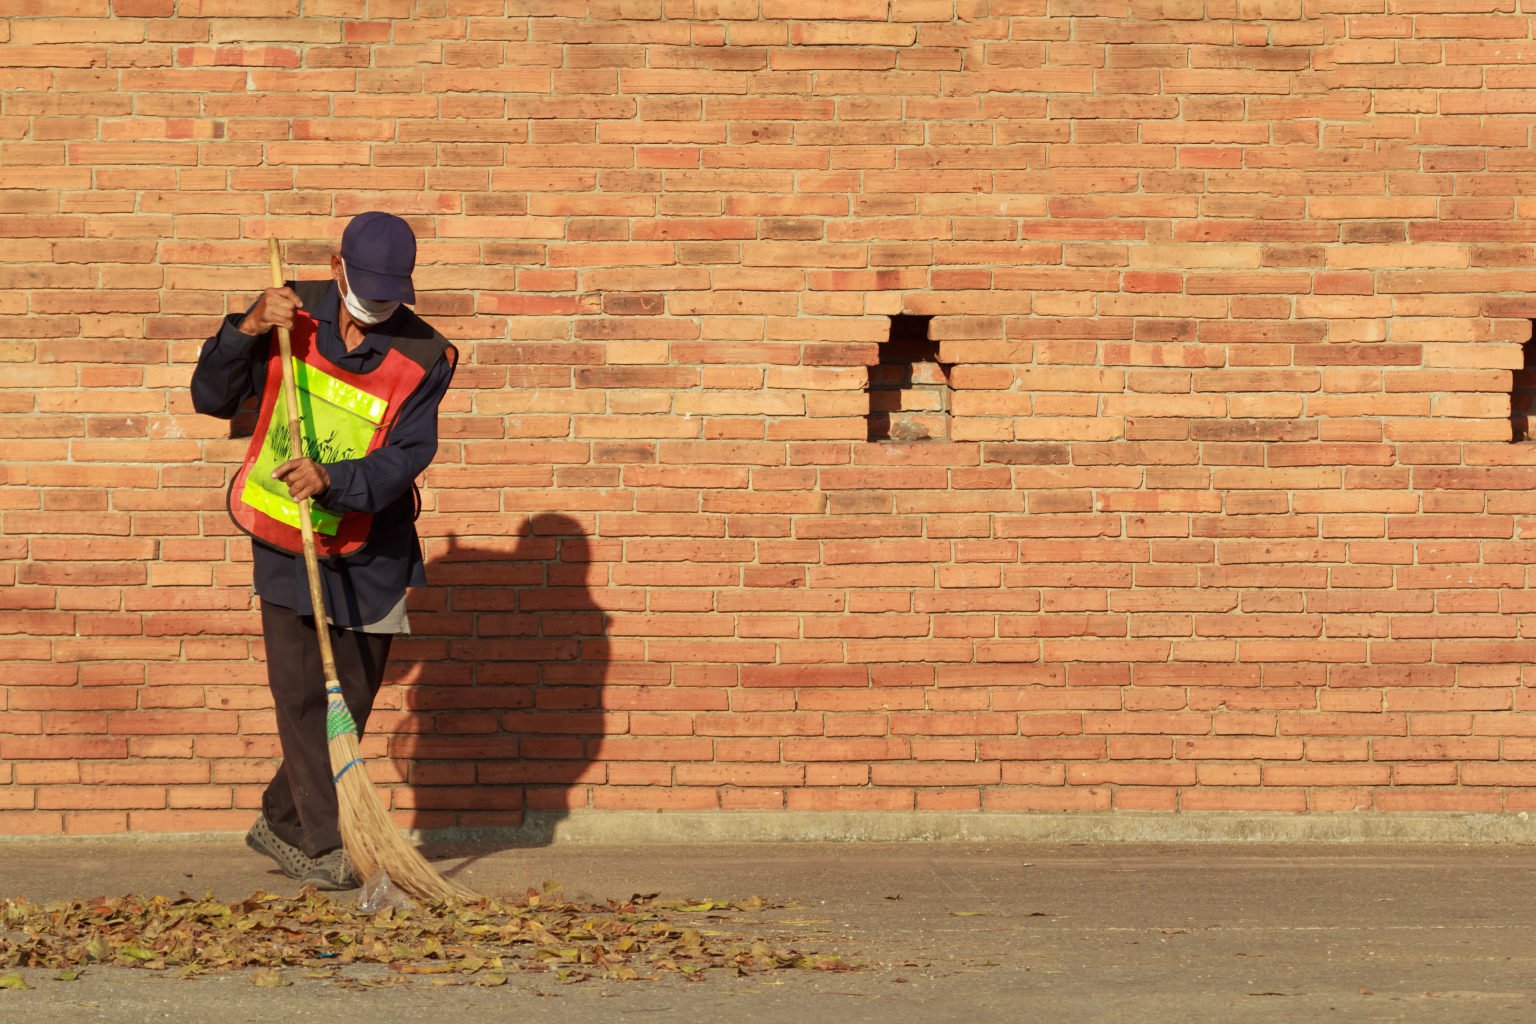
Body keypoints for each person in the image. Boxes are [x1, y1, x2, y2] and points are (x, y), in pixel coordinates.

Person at [191, 212, 457, 890]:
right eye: (366, 286)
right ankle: (322, 840)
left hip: (373, 540)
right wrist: (243, 329)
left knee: (353, 698)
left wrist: (336, 480)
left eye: (392, 292)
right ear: (337, 265)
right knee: (301, 694)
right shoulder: (286, 311)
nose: (377, 304)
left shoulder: (427, 354)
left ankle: (279, 816)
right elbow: (210, 398)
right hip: (284, 531)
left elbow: (407, 457)